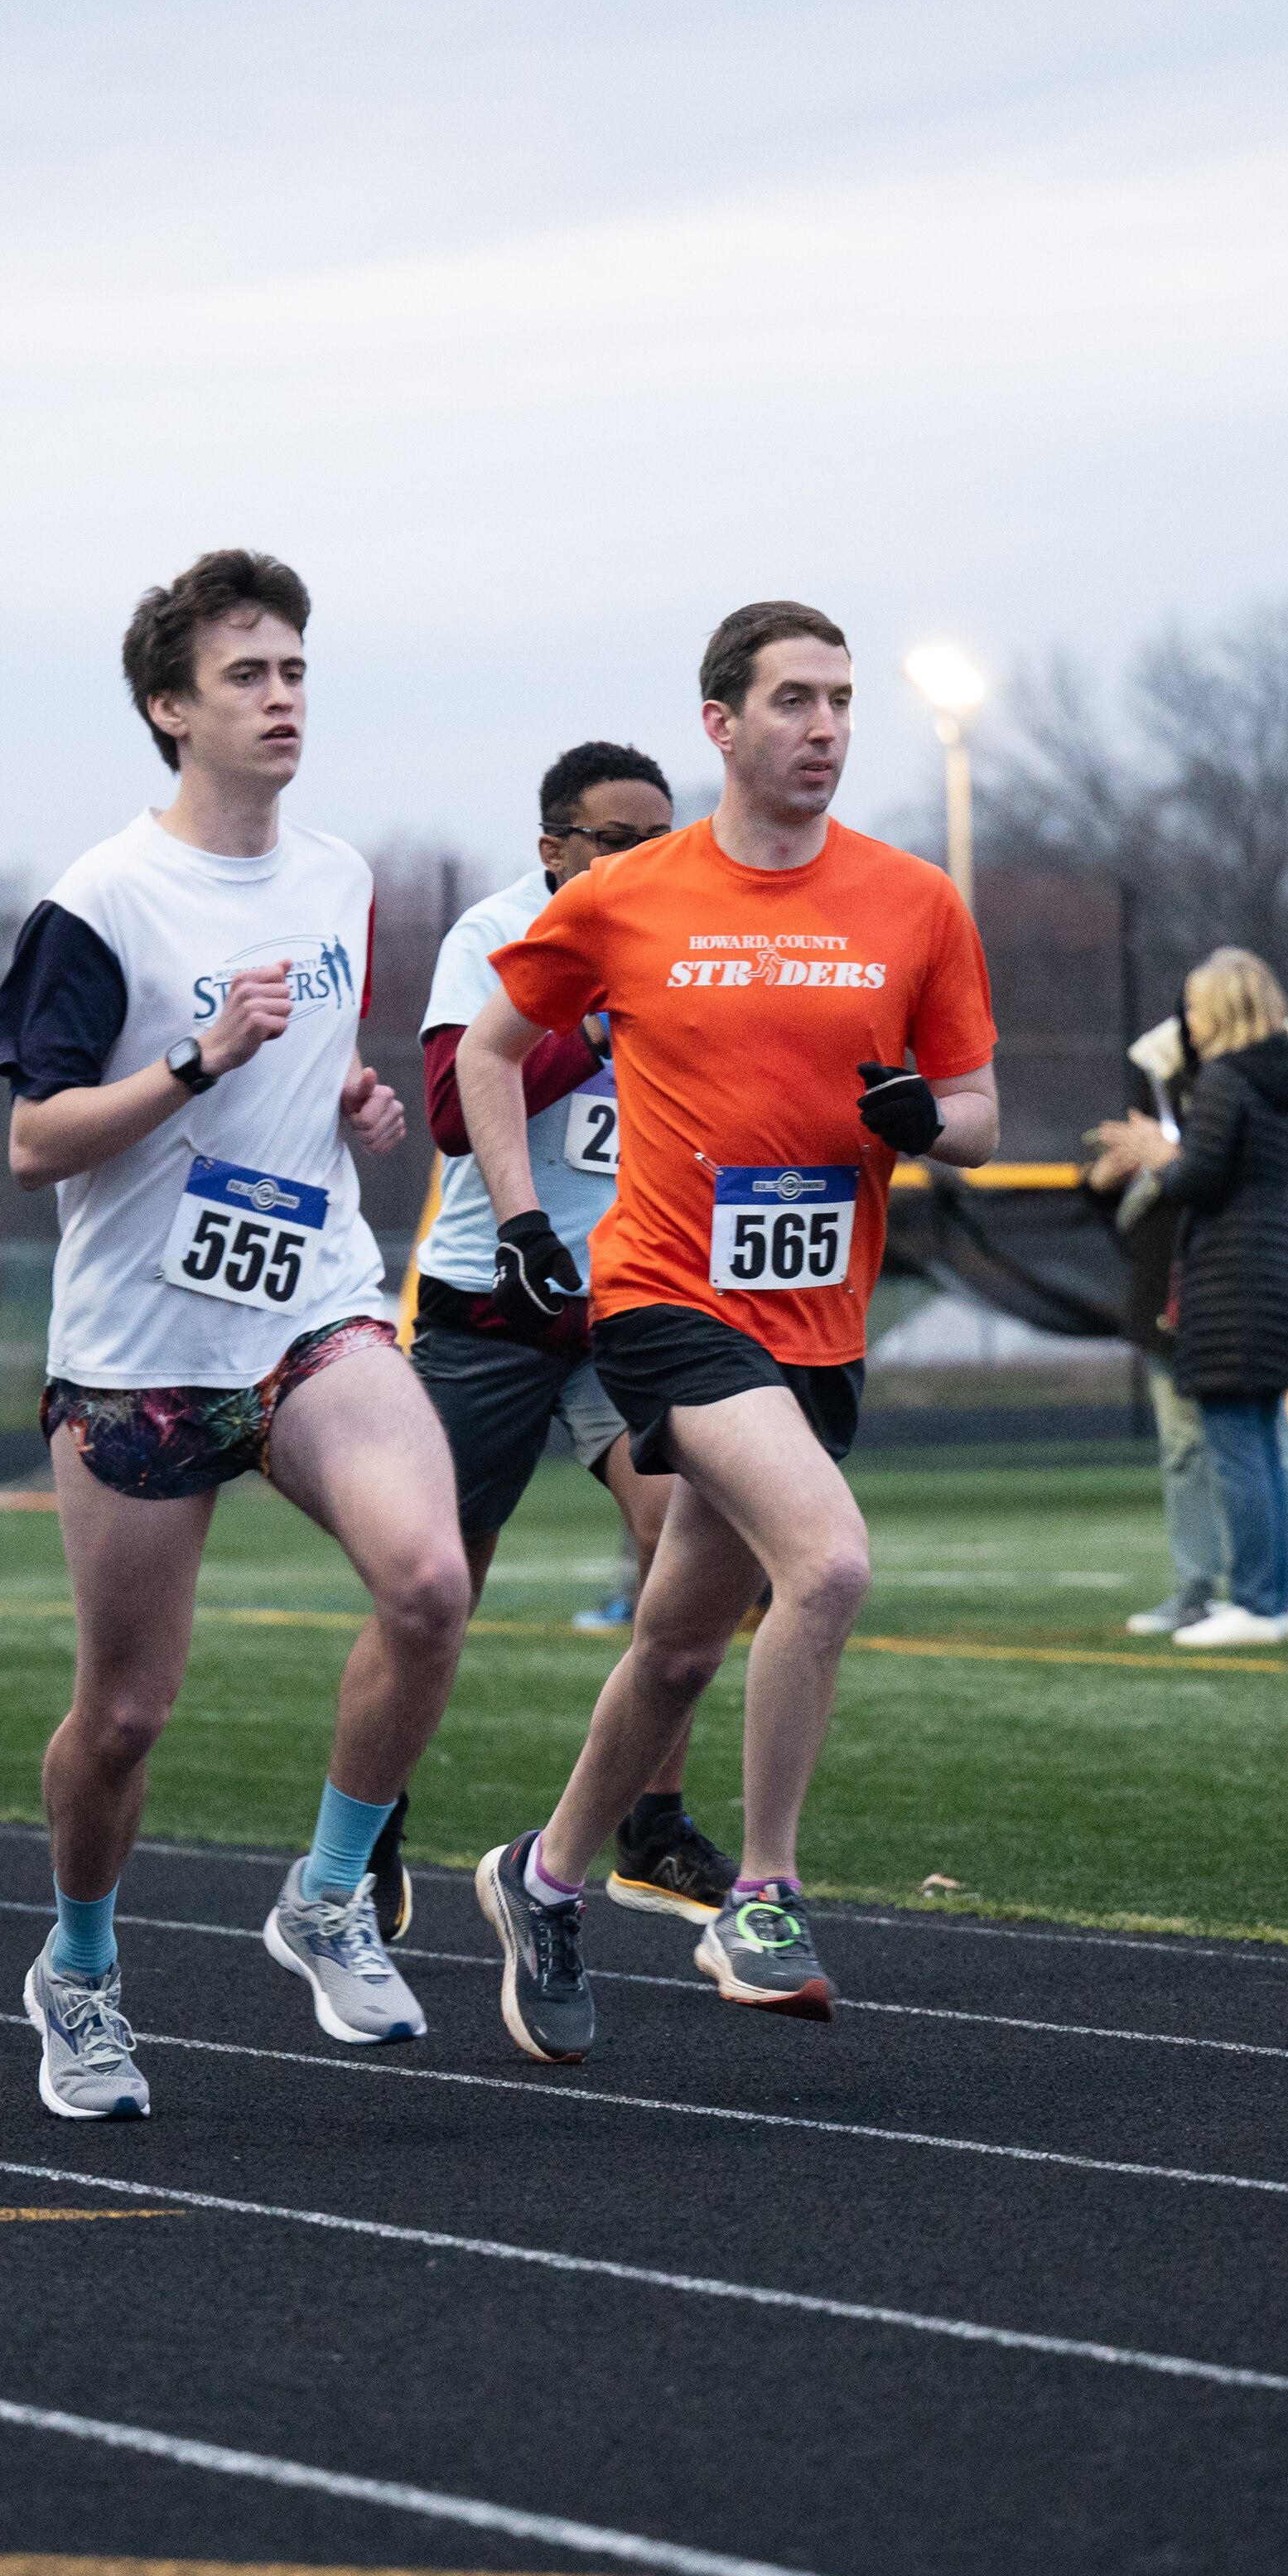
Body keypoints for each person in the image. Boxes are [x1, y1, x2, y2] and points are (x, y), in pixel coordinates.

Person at [455, 599, 996, 2062]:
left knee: (684, 1640)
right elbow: (490, 1053)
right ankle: (761, 1892)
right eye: (793, 702)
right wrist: (520, 1220)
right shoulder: (634, 893)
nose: (823, 728)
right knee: (827, 1563)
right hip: (663, 1299)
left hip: (816, 1323)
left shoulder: (914, 903)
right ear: (722, 725)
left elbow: (979, 1115)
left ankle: (545, 1873)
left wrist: (922, 1126)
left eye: (839, 702)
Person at [0, 548, 472, 2119]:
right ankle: (80, 1969)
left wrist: (350, 1100)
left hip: (312, 1310)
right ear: (168, 708)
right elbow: (38, 1139)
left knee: (430, 1583)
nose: (283, 700)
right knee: (124, 1714)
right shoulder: (99, 898)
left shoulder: (340, 875)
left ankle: (329, 1895)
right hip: (141, 1352)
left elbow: (313, 1068)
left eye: (296, 672)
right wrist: (198, 1063)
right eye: (248, 677)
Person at [383, 739, 727, 1936]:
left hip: (632, 1300)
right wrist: (593, 1014)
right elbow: (446, 1109)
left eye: (664, 837)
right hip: (492, 1299)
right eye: (622, 840)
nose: (651, 860)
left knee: (678, 1541)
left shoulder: (693, 930)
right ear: (555, 849)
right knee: (439, 1580)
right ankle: (372, 1816)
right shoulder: (492, 936)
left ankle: (655, 1825)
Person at [1114, 949, 1288, 1650]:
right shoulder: (1282, 1078)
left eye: (1198, 1008)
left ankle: (1259, 1604)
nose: (1189, 1023)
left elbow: (1199, 1177)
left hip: (1232, 1278)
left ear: (1227, 1010)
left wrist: (1155, 1152)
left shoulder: (1227, 1080)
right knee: (1265, 1442)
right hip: (1274, 1269)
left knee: (1236, 1446)